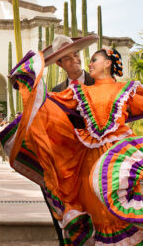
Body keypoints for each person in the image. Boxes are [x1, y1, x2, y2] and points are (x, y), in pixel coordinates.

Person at [2, 46, 143, 245]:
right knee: (98, 213)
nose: (89, 63)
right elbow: (46, 104)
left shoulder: (127, 89)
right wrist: (27, 79)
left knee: (120, 212)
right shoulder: (78, 92)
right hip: (89, 162)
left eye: (94, 60)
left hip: (120, 159)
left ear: (108, 63)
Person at [43, 35, 97, 245]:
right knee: (62, 201)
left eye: (76, 54)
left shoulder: (98, 82)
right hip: (69, 158)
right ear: (59, 63)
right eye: (68, 57)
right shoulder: (56, 91)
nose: (75, 59)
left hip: (97, 156)